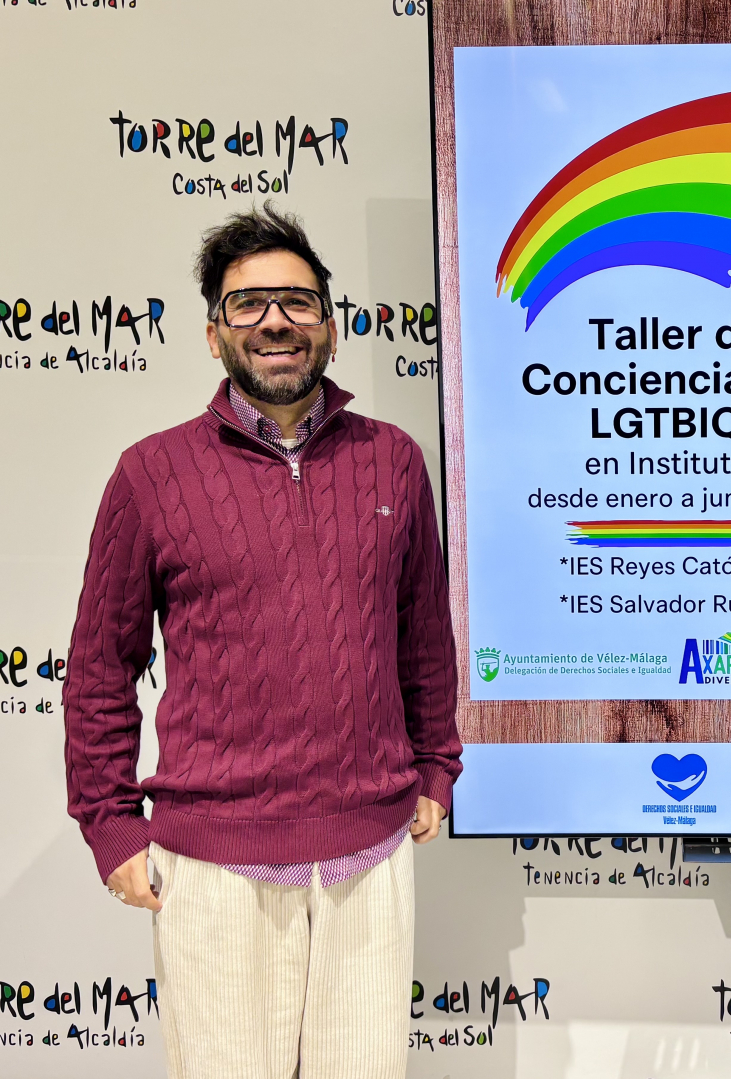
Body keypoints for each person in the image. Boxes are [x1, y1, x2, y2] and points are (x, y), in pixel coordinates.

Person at [63, 202, 461, 1079]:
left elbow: (424, 635)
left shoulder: (394, 460)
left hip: (370, 858)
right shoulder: (150, 473)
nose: (275, 320)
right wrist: (110, 823)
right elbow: (98, 668)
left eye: (298, 300)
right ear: (214, 334)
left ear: (331, 325)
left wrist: (437, 765)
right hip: (215, 869)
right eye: (248, 303)